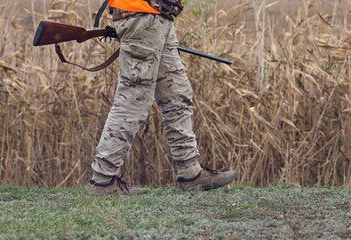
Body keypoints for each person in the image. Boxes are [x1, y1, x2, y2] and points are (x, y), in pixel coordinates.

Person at [86, 0, 238, 194]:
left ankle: (191, 172)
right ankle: (102, 180)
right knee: (133, 100)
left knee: (177, 96)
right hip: (143, 15)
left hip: (158, 17)